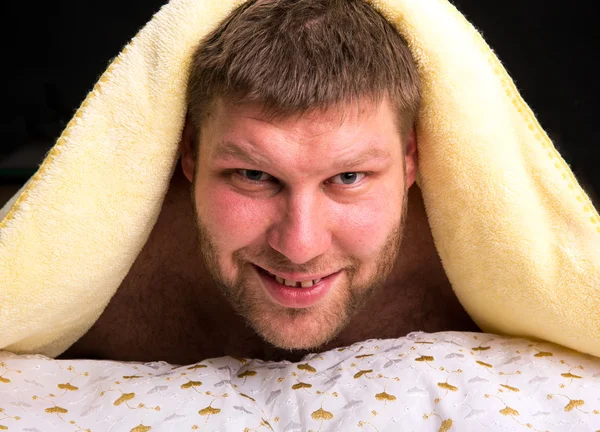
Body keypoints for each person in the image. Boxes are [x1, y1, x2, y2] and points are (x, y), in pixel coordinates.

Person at [61, 0, 479, 364]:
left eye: (348, 177)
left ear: (410, 159)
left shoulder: (470, 283)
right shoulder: (90, 280)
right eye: (254, 176)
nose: (299, 247)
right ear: (190, 152)